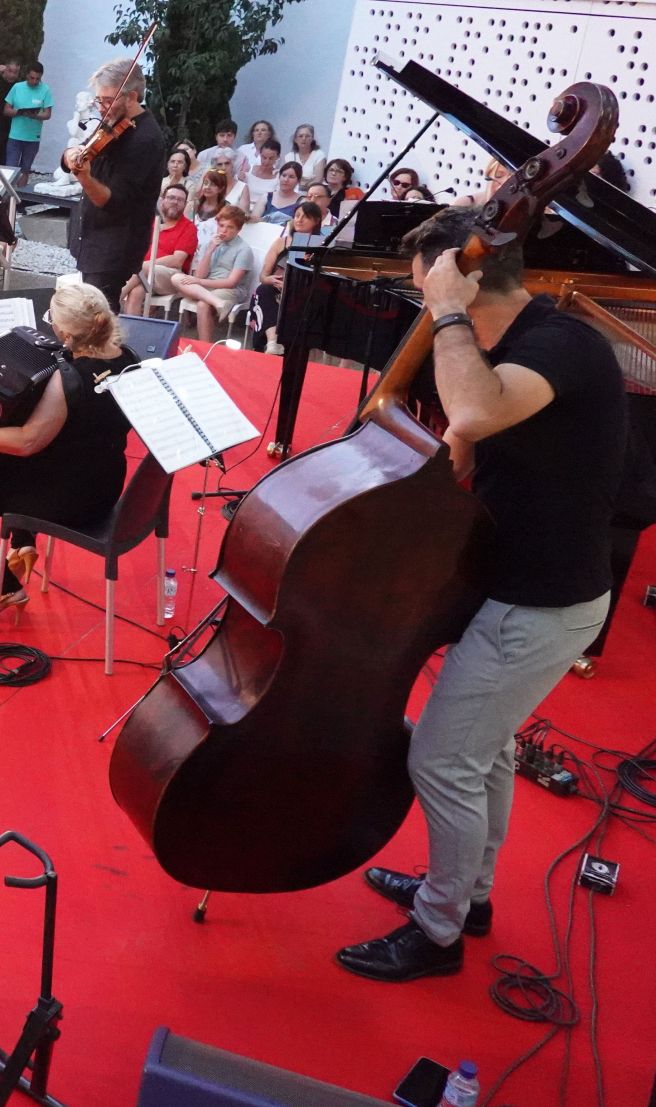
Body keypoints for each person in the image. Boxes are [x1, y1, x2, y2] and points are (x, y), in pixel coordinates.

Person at [336, 207, 625, 983]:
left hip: (541, 604)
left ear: (461, 279)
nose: (423, 310)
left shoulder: (558, 345)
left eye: (423, 289)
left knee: (440, 758)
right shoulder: (512, 347)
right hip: (522, 588)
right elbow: (465, 443)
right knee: (488, 751)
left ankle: (437, 932)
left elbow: (471, 409)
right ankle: (470, 897)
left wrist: (448, 310)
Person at [0, 282, 139, 621]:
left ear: (68, 335)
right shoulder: (129, 358)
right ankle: (23, 543)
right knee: (11, 465)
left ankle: (8, 590)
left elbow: (28, 441)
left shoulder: (68, 379)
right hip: (106, 483)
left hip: (72, 502)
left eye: (53, 322)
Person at [62, 59, 168, 310]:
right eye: (99, 100)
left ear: (131, 97)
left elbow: (112, 201)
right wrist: (71, 154)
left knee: (99, 320)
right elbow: (78, 154)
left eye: (108, 100)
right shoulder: (111, 121)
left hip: (114, 248)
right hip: (94, 240)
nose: (102, 107)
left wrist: (85, 178)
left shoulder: (145, 140)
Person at [168, 205, 257, 343]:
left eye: (230, 227)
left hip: (230, 289)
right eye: (221, 226)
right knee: (176, 278)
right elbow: (199, 275)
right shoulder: (211, 244)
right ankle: (218, 303)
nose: (224, 230)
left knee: (203, 305)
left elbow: (231, 282)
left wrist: (199, 282)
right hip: (206, 286)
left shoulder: (244, 250)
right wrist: (210, 250)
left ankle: (205, 346)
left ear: (238, 229)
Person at [250, 201, 321, 352]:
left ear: (316, 221)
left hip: (303, 293)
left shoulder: (320, 246)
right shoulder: (280, 242)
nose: (299, 220)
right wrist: (268, 279)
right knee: (263, 290)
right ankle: (272, 341)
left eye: (305, 217)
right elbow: (263, 275)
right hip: (276, 288)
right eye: (297, 215)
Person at [121, 184, 200, 317]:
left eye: (180, 200)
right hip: (141, 276)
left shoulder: (188, 228)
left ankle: (114, 298)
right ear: (162, 200)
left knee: (142, 269)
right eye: (171, 198)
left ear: (185, 204)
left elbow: (177, 261)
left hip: (171, 276)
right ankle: (131, 333)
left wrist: (146, 265)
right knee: (136, 292)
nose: (175, 202)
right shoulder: (149, 222)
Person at [3, 62, 54, 182]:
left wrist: (34, 116)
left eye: (38, 79)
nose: (35, 81)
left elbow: (47, 114)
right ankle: (7, 198)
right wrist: (20, 112)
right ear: (26, 75)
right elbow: (6, 110)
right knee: (10, 169)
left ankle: (20, 197)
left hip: (32, 138)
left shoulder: (46, 90)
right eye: (32, 78)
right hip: (15, 136)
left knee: (25, 170)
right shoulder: (17, 87)